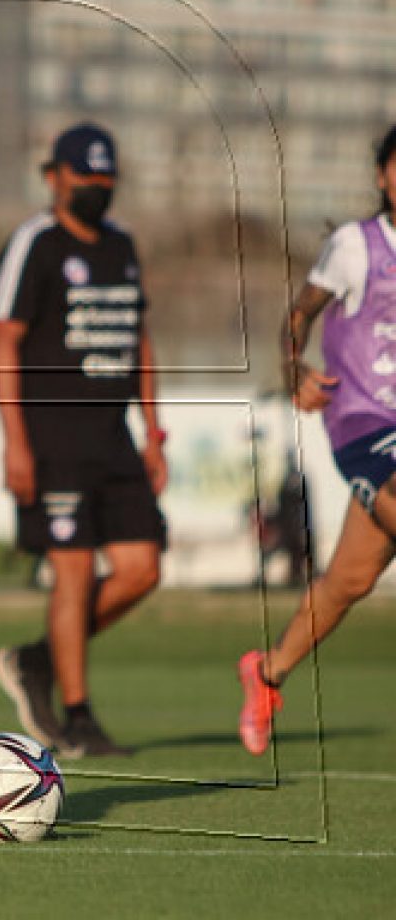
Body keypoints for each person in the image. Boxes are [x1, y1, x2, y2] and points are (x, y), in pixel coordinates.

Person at [0, 122, 168, 757]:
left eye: (104, 178)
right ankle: (79, 716)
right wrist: (15, 443)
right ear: (54, 177)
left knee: (142, 569)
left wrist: (154, 433)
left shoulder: (121, 245)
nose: (95, 188)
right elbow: (3, 338)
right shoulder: (34, 244)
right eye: (84, 177)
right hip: (52, 437)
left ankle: (38, 659)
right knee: (72, 572)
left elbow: (138, 339)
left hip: (115, 438)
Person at [238, 124, 396, 755]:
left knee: (349, 581)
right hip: (364, 421)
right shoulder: (356, 247)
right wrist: (293, 368)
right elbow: (298, 316)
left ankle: (268, 671)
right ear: (382, 175)